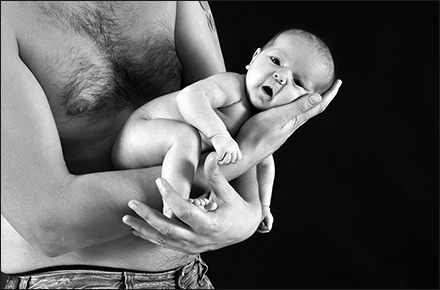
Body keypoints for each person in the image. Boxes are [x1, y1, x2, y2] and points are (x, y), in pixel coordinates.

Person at [1, 1, 342, 289]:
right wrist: (250, 151)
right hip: (69, 280)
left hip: (186, 275)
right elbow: (49, 225)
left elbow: (228, 123)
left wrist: (249, 215)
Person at [112, 28, 336, 233]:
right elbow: (190, 96)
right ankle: (175, 210)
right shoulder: (234, 86)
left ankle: (194, 203)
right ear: (254, 58)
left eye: (297, 82)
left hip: (157, 163)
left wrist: (264, 206)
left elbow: (263, 162)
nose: (281, 76)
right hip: (139, 134)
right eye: (276, 60)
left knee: (215, 184)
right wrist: (219, 135)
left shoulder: (259, 122)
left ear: (304, 101)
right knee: (186, 136)